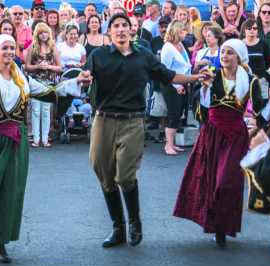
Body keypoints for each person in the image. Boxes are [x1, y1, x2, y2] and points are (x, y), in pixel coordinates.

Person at [76, 13, 204, 249]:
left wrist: (195, 77)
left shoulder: (143, 55)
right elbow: (87, 75)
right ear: (109, 31)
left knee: (125, 175)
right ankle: (118, 228)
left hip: (132, 121)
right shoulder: (99, 55)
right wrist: (84, 78)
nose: (121, 29)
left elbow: (169, 76)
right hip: (103, 120)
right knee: (103, 174)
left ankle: (135, 222)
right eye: (116, 26)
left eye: (125, 25)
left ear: (130, 30)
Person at [0, 34, 80, 264]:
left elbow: (49, 91)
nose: (8, 52)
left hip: (16, 138)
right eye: (4, 48)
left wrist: (76, 83)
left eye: (12, 48)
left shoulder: (22, 77)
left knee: (10, 189)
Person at [173, 39, 268, 248]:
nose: (225, 56)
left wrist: (258, 127)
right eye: (223, 52)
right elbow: (200, 111)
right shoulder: (211, 75)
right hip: (212, 133)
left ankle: (224, 226)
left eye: (230, 53)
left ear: (239, 57)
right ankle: (216, 227)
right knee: (210, 181)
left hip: (236, 136)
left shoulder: (250, 80)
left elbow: (263, 108)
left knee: (227, 182)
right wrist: (204, 89)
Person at [25, 22, 62, 148]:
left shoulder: (53, 47)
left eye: (46, 32)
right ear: (37, 34)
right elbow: (27, 67)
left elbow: (60, 67)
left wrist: (49, 66)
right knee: (35, 110)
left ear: (49, 34)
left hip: (48, 83)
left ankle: (45, 139)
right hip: (35, 83)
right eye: (41, 33)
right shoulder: (32, 47)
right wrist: (38, 66)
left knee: (46, 111)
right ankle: (36, 139)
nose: (44, 35)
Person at [160, 20, 192, 156]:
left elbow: (185, 65)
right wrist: (176, 85)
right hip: (171, 85)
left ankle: (172, 143)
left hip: (182, 83)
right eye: (184, 30)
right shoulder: (168, 47)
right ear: (177, 31)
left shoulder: (180, 44)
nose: (186, 33)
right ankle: (168, 145)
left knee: (178, 113)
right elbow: (164, 70)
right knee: (173, 114)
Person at [241, 19, 270, 97]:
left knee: (262, 105)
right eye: (249, 28)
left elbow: (268, 62)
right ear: (244, 30)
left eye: (255, 28)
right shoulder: (239, 44)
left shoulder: (263, 44)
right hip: (244, 80)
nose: (252, 30)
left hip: (261, 80)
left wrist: (266, 78)